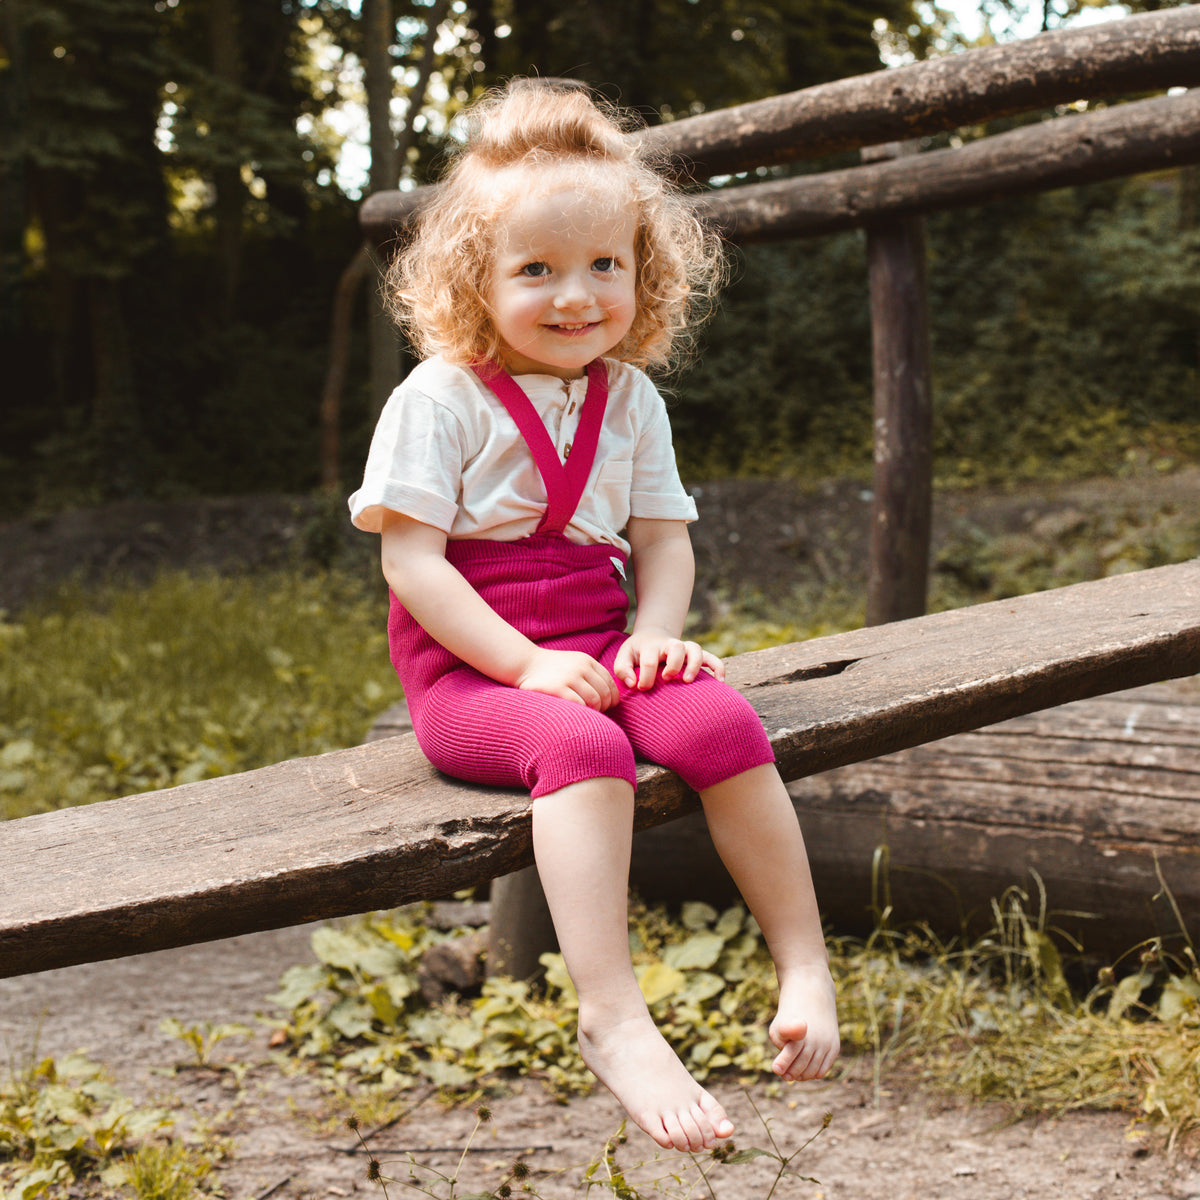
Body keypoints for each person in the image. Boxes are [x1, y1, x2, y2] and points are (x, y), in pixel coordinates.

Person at [349, 79, 839, 1154]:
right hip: (475, 677)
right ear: (475, 278)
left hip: (599, 646)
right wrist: (524, 666)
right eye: (535, 271)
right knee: (580, 742)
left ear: (642, 270)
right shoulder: (439, 399)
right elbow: (412, 565)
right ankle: (612, 1017)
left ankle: (803, 957)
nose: (577, 296)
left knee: (717, 720)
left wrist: (657, 632)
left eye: (604, 265)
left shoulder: (632, 399)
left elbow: (664, 540)